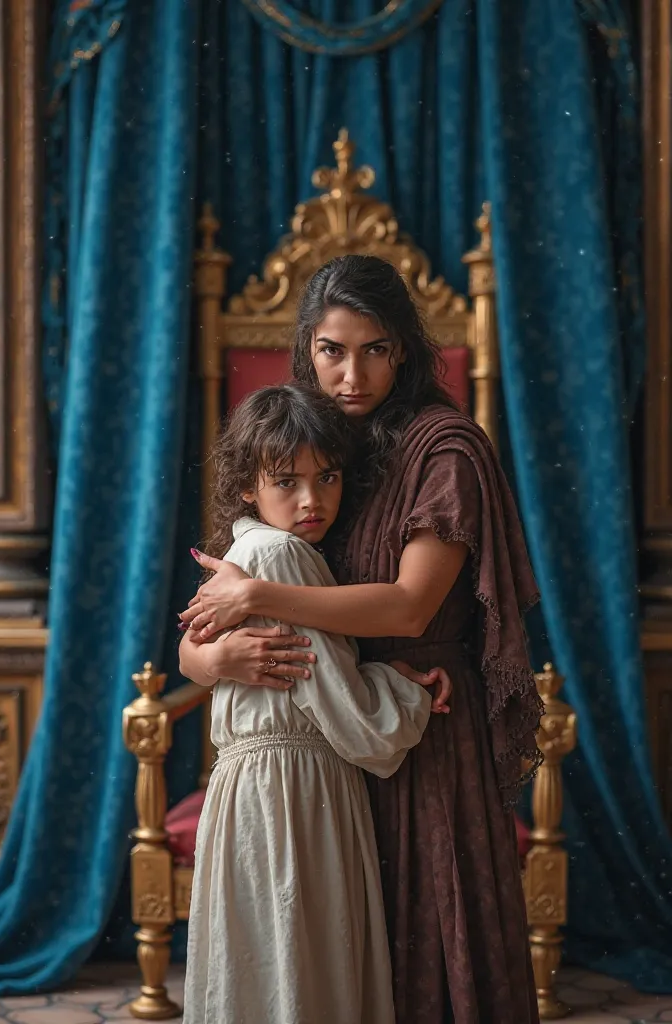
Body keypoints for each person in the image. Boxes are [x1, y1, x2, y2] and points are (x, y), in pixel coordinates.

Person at [179, 255, 542, 1024]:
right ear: (307, 350)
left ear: (404, 348)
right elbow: (208, 626)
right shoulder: (312, 452)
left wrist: (258, 597)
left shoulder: (444, 448)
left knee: (427, 953)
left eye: (374, 349)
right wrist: (216, 657)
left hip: (420, 739)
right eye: (332, 351)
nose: (352, 374)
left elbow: (411, 609)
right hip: (332, 742)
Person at [180, 382, 440, 1024]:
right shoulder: (282, 557)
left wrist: (208, 662)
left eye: (326, 477)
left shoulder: (249, 554)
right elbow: (359, 724)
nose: (311, 500)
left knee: (263, 972)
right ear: (247, 483)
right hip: (295, 792)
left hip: (251, 787)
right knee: (302, 970)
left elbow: (305, 678)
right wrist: (406, 687)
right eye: (286, 481)